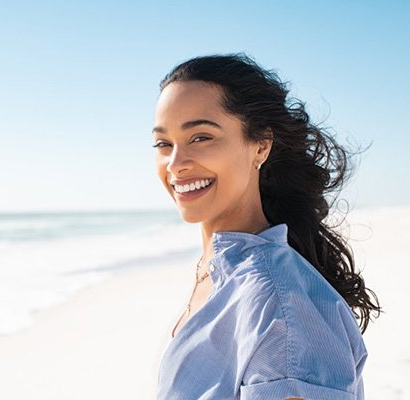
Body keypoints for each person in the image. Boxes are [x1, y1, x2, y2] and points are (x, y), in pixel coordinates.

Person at [152, 53, 381, 400]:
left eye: (201, 137)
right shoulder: (219, 269)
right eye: (163, 144)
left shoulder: (280, 305)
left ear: (260, 145)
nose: (176, 163)